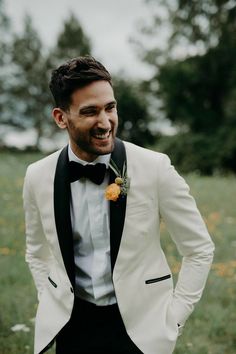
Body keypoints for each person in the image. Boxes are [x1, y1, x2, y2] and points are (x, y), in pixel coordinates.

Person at [23, 56, 214, 354]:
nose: (105, 122)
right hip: (72, 327)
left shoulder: (155, 167)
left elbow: (199, 249)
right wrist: (51, 298)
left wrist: (174, 319)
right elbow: (36, 252)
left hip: (141, 330)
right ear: (61, 118)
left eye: (110, 108)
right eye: (90, 112)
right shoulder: (37, 176)